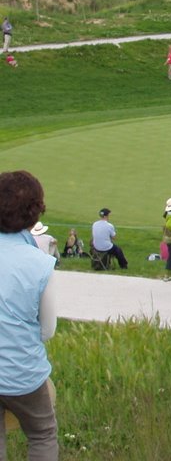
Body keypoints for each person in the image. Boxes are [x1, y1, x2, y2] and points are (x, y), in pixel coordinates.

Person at [0, 170, 58, 460]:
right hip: (21, 373)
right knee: (42, 433)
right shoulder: (40, 264)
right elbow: (47, 330)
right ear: (35, 214)